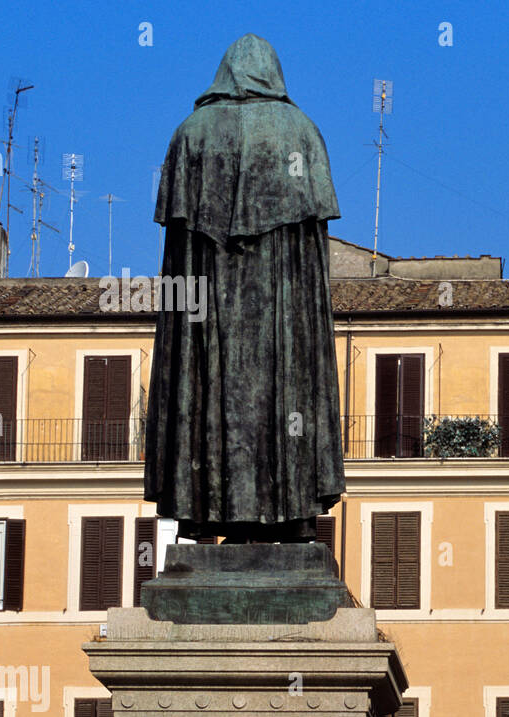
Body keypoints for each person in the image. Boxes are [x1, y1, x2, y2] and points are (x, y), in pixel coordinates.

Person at [146, 34, 345, 543]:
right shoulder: (301, 133)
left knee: (203, 387)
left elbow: (177, 255)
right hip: (281, 314)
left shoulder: (190, 134)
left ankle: (198, 512)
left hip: (206, 314)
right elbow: (313, 259)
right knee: (290, 387)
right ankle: (296, 512)